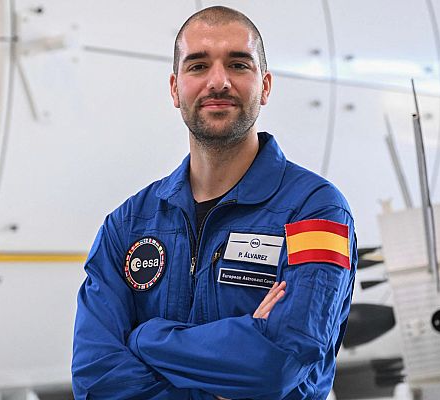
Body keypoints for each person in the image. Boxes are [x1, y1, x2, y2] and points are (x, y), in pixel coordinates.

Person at [72, 6, 356, 399]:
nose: (218, 82)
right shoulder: (129, 225)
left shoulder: (315, 211)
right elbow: (96, 376)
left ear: (265, 86)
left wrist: (145, 338)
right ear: (175, 88)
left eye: (238, 65)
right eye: (198, 66)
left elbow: (279, 362)